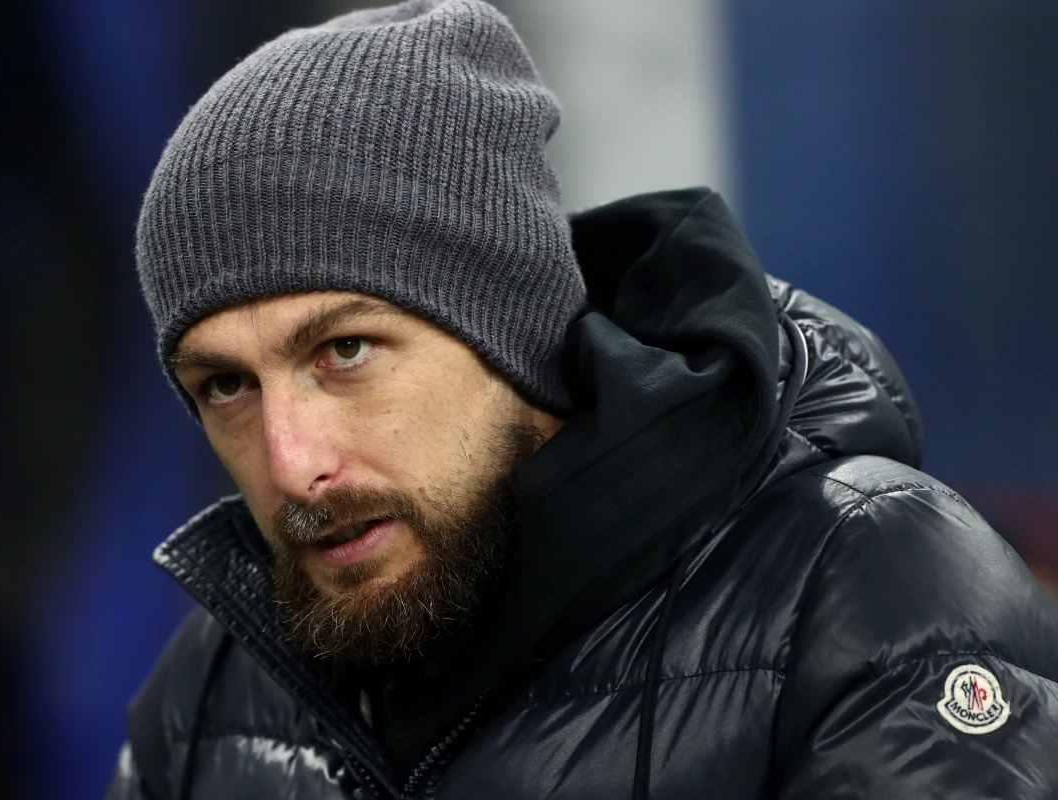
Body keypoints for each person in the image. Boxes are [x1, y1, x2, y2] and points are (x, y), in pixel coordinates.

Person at [106, 1, 1058, 797]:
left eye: (345, 350)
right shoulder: (216, 689)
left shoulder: (861, 593)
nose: (291, 462)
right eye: (225, 384)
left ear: (508, 330)